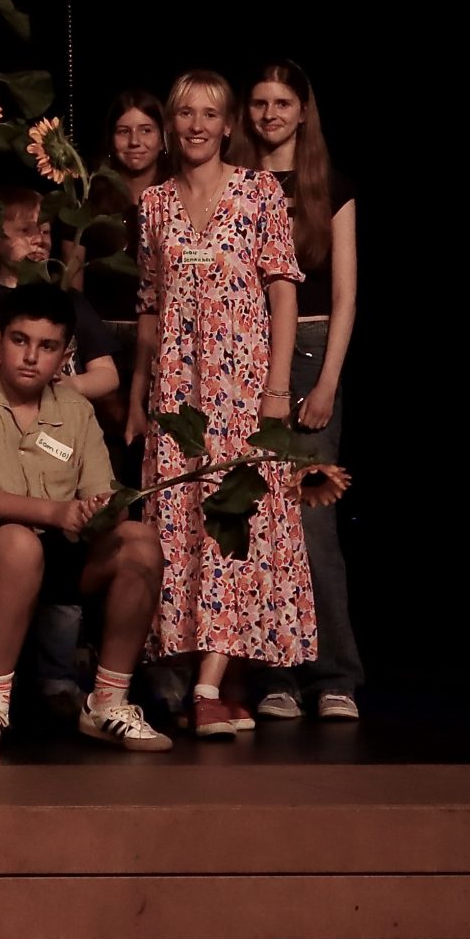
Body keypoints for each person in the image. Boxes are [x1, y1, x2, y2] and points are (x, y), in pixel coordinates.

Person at [128, 70, 309, 740]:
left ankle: (206, 688)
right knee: (187, 532)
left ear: (228, 125)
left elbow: (283, 293)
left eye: (209, 114)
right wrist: (140, 396)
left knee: (239, 526)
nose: (196, 125)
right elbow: (150, 308)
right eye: (185, 114)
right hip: (179, 397)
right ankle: (224, 686)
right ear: (172, 125)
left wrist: (277, 390)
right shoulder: (153, 203)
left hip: (243, 393)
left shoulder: (260, 192)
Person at [0, 282, 172, 752]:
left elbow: (104, 492)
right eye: (19, 340)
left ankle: (107, 702)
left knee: (140, 540)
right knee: (18, 542)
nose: (30, 357)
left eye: (47, 347)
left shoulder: (76, 408)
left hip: (59, 542)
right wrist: (56, 511)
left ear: (66, 354)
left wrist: (104, 509)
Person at [231, 61, 360, 722]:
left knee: (311, 519)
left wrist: (328, 380)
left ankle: (334, 676)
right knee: (256, 520)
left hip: (308, 354)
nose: (270, 114)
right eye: (259, 102)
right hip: (242, 352)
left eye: (282, 102)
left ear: (303, 111)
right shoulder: (233, 180)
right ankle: (275, 674)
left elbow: (344, 295)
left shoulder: (328, 185)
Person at [0, 185, 122, 404]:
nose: (39, 239)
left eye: (45, 231)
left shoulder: (68, 299)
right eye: (25, 231)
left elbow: (108, 374)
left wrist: (72, 385)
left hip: (59, 416)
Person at [79, 88, 167, 429]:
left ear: (163, 137)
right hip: (101, 339)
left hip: (163, 338)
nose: (135, 142)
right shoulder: (89, 197)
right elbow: (73, 287)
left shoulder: (180, 195)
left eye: (146, 130)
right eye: (123, 131)